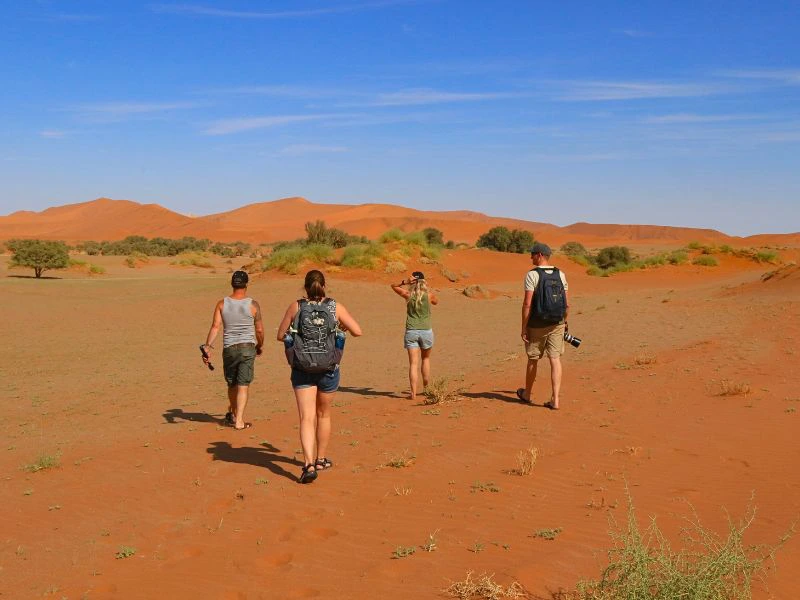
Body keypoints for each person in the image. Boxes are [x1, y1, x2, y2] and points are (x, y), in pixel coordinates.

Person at [276, 270, 362, 484]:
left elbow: (280, 335)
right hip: (329, 369)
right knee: (323, 415)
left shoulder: (296, 307)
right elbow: (358, 331)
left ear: (305, 287)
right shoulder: (335, 307)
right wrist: (339, 327)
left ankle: (308, 464)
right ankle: (321, 459)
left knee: (306, 418)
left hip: (302, 369)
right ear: (324, 285)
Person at [202, 270, 265, 429]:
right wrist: (260, 345)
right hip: (247, 348)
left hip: (229, 348)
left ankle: (235, 414)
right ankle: (239, 421)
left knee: (231, 384)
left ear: (232, 284)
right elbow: (259, 330)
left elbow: (216, 327)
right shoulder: (253, 304)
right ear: (246, 284)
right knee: (243, 384)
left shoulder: (222, 303)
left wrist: (208, 346)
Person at [518, 243, 569, 409]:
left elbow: (527, 304)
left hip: (537, 324)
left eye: (532, 254)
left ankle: (527, 394)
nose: (531, 257)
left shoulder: (532, 275)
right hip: (557, 322)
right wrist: (565, 321)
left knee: (533, 358)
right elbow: (567, 304)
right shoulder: (560, 274)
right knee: (555, 359)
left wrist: (524, 327)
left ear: (540, 255)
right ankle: (556, 400)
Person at [390, 271, 439, 402]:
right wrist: (426, 287)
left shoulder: (407, 295)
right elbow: (436, 302)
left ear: (413, 282)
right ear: (423, 282)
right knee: (426, 359)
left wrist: (404, 282)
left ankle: (413, 393)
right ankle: (427, 388)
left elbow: (393, 286)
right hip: (426, 331)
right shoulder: (429, 295)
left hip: (411, 331)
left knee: (413, 363)